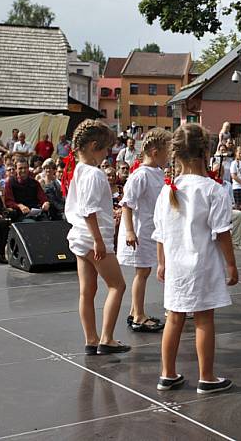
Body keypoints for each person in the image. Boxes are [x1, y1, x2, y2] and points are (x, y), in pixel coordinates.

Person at [152, 123, 238, 394]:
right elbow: (222, 232)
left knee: (173, 317)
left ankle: (167, 374)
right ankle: (207, 377)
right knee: (204, 319)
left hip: (176, 265)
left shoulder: (168, 189)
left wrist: (162, 262)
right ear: (206, 151)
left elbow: (161, 233)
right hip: (202, 265)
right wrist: (231, 264)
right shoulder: (213, 190)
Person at [64, 119, 130, 356]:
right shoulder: (94, 173)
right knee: (117, 286)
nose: (107, 156)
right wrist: (99, 241)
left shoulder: (79, 170)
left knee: (87, 290)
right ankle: (107, 338)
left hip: (80, 238)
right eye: (105, 150)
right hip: (94, 239)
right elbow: (89, 210)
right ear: (94, 147)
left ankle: (91, 339)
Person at [117, 128, 172, 333]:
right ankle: (139, 315)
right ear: (156, 152)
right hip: (140, 231)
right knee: (142, 272)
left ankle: (135, 311)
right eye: (167, 152)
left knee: (145, 270)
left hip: (150, 230)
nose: (169, 157)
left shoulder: (157, 173)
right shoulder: (140, 175)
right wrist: (130, 231)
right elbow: (127, 204)